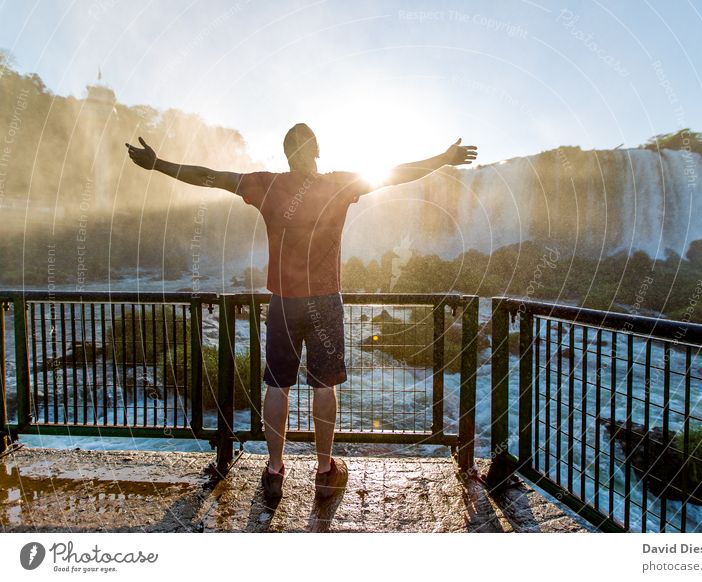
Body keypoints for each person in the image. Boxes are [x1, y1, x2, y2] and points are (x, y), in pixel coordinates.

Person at [125, 124, 477, 501]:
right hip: (325, 300)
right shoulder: (338, 184)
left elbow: (211, 177)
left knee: (277, 385)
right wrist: (442, 160)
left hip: (283, 302)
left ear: (287, 154)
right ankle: (325, 471)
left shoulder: (267, 185)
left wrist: (158, 164)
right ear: (317, 151)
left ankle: (275, 470)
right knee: (324, 387)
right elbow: (396, 174)